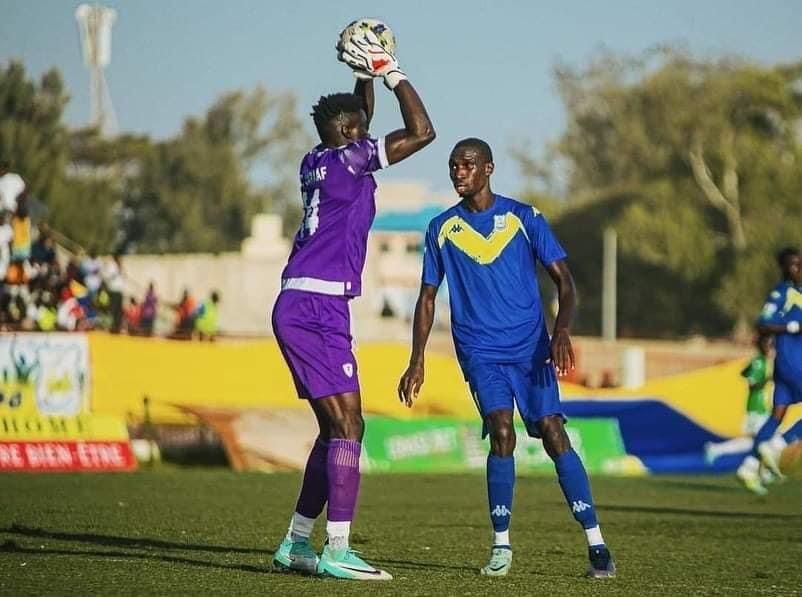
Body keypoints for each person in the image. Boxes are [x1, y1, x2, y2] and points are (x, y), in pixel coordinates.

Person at [398, 138, 614, 578]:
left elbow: (565, 282)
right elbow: (426, 297)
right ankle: (501, 547)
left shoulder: (524, 217)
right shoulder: (441, 228)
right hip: (479, 352)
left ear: (489, 169)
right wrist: (417, 358)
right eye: (454, 165)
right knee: (501, 432)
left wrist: (562, 330)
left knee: (554, 433)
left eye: (468, 165)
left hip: (530, 348)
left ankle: (596, 545)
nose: (459, 172)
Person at [270, 28, 435, 581]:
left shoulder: (318, 159)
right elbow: (423, 131)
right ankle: (337, 548)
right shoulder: (349, 159)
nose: (369, 129)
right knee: (350, 427)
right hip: (317, 307)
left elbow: (356, 118)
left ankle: (296, 542)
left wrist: (360, 75)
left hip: (301, 301)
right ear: (349, 135)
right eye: (361, 128)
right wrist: (389, 69)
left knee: (334, 429)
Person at [736, 247, 802, 494]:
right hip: (793, 362)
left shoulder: (798, 292)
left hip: (784, 367)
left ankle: (750, 465)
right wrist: (794, 327)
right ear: (785, 268)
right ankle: (778, 445)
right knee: (777, 421)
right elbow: (763, 323)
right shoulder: (783, 293)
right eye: (794, 265)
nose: (798, 269)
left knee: (776, 415)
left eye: (800, 264)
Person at [704, 335, 773, 465]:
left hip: (762, 407)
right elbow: (752, 383)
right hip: (757, 407)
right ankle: (758, 471)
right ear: (763, 346)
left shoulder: (761, 361)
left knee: (755, 441)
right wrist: (768, 379)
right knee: (766, 441)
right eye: (769, 345)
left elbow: (744, 373)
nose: (772, 348)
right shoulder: (759, 362)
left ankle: (716, 449)